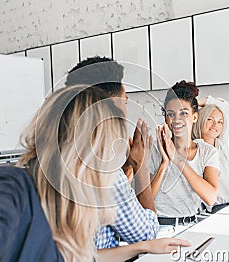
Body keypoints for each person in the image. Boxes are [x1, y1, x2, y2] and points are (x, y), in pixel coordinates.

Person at [0, 85, 190, 262]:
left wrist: (143, 248)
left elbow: (83, 260)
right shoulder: (14, 188)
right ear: (86, 149)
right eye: (108, 151)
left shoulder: (70, 203)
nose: (111, 166)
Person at [65, 56, 159, 250]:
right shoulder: (105, 176)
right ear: (111, 107)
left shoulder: (46, 163)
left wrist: (128, 168)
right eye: (124, 102)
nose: (125, 111)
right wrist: (141, 168)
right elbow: (147, 235)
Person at [149, 81, 220, 225]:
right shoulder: (155, 149)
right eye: (171, 114)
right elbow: (145, 200)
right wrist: (165, 163)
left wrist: (177, 159)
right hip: (158, 226)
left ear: (195, 117)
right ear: (165, 118)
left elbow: (211, 197)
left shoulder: (207, 152)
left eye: (184, 113)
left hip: (190, 225)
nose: (176, 120)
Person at [192, 96, 229, 213]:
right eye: (210, 119)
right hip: (219, 208)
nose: (215, 124)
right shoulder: (196, 148)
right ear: (200, 120)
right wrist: (188, 106)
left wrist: (194, 101)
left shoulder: (222, 144)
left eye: (220, 122)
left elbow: (226, 109)